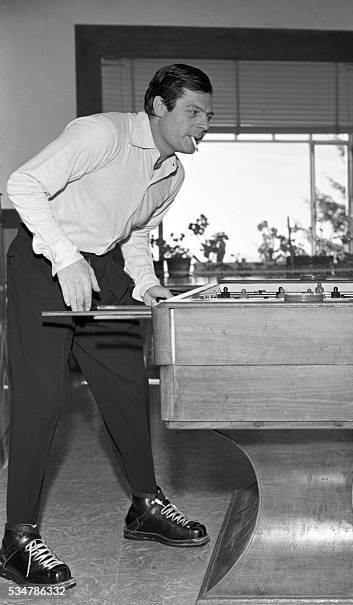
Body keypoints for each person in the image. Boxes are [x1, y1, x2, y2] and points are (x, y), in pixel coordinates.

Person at [1, 64, 215, 590]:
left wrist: (146, 286)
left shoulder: (173, 173)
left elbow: (135, 233)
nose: (203, 125)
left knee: (126, 386)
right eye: (193, 112)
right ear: (158, 108)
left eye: (208, 115)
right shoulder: (102, 134)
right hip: (43, 260)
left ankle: (144, 506)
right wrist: (65, 257)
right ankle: (16, 538)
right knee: (43, 397)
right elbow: (21, 183)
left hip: (105, 268)